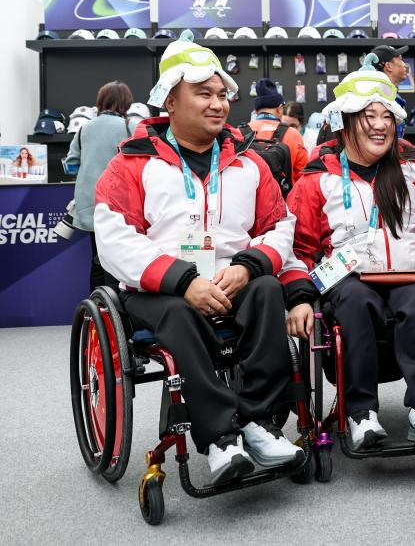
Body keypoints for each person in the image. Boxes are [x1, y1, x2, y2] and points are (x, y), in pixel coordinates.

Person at [93, 40, 304, 485]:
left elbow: (280, 224)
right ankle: (221, 437)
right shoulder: (131, 163)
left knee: (267, 289)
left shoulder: (250, 162)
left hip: (231, 280)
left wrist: (248, 266)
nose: (218, 104)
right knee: (179, 312)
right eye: (203, 94)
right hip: (158, 291)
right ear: (170, 100)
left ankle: (258, 421)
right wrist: (183, 280)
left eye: (222, 94)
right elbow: (112, 238)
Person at [283, 55, 415, 451]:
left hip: (411, 273)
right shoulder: (316, 180)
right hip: (349, 280)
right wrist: (299, 298)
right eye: (368, 116)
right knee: (355, 303)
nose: (379, 125)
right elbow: (299, 247)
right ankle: (360, 412)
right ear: (345, 121)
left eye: (387, 116)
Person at [65, 80, 139, 290]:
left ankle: (98, 305)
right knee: (120, 259)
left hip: (90, 203)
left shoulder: (84, 129)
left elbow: (71, 164)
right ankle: (117, 306)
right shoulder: (130, 127)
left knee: (97, 259)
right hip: (120, 203)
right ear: (126, 103)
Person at [249, 78, 310, 182]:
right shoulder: (293, 134)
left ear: (256, 110)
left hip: (250, 192)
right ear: (280, 108)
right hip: (285, 192)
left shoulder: (240, 133)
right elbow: (303, 176)